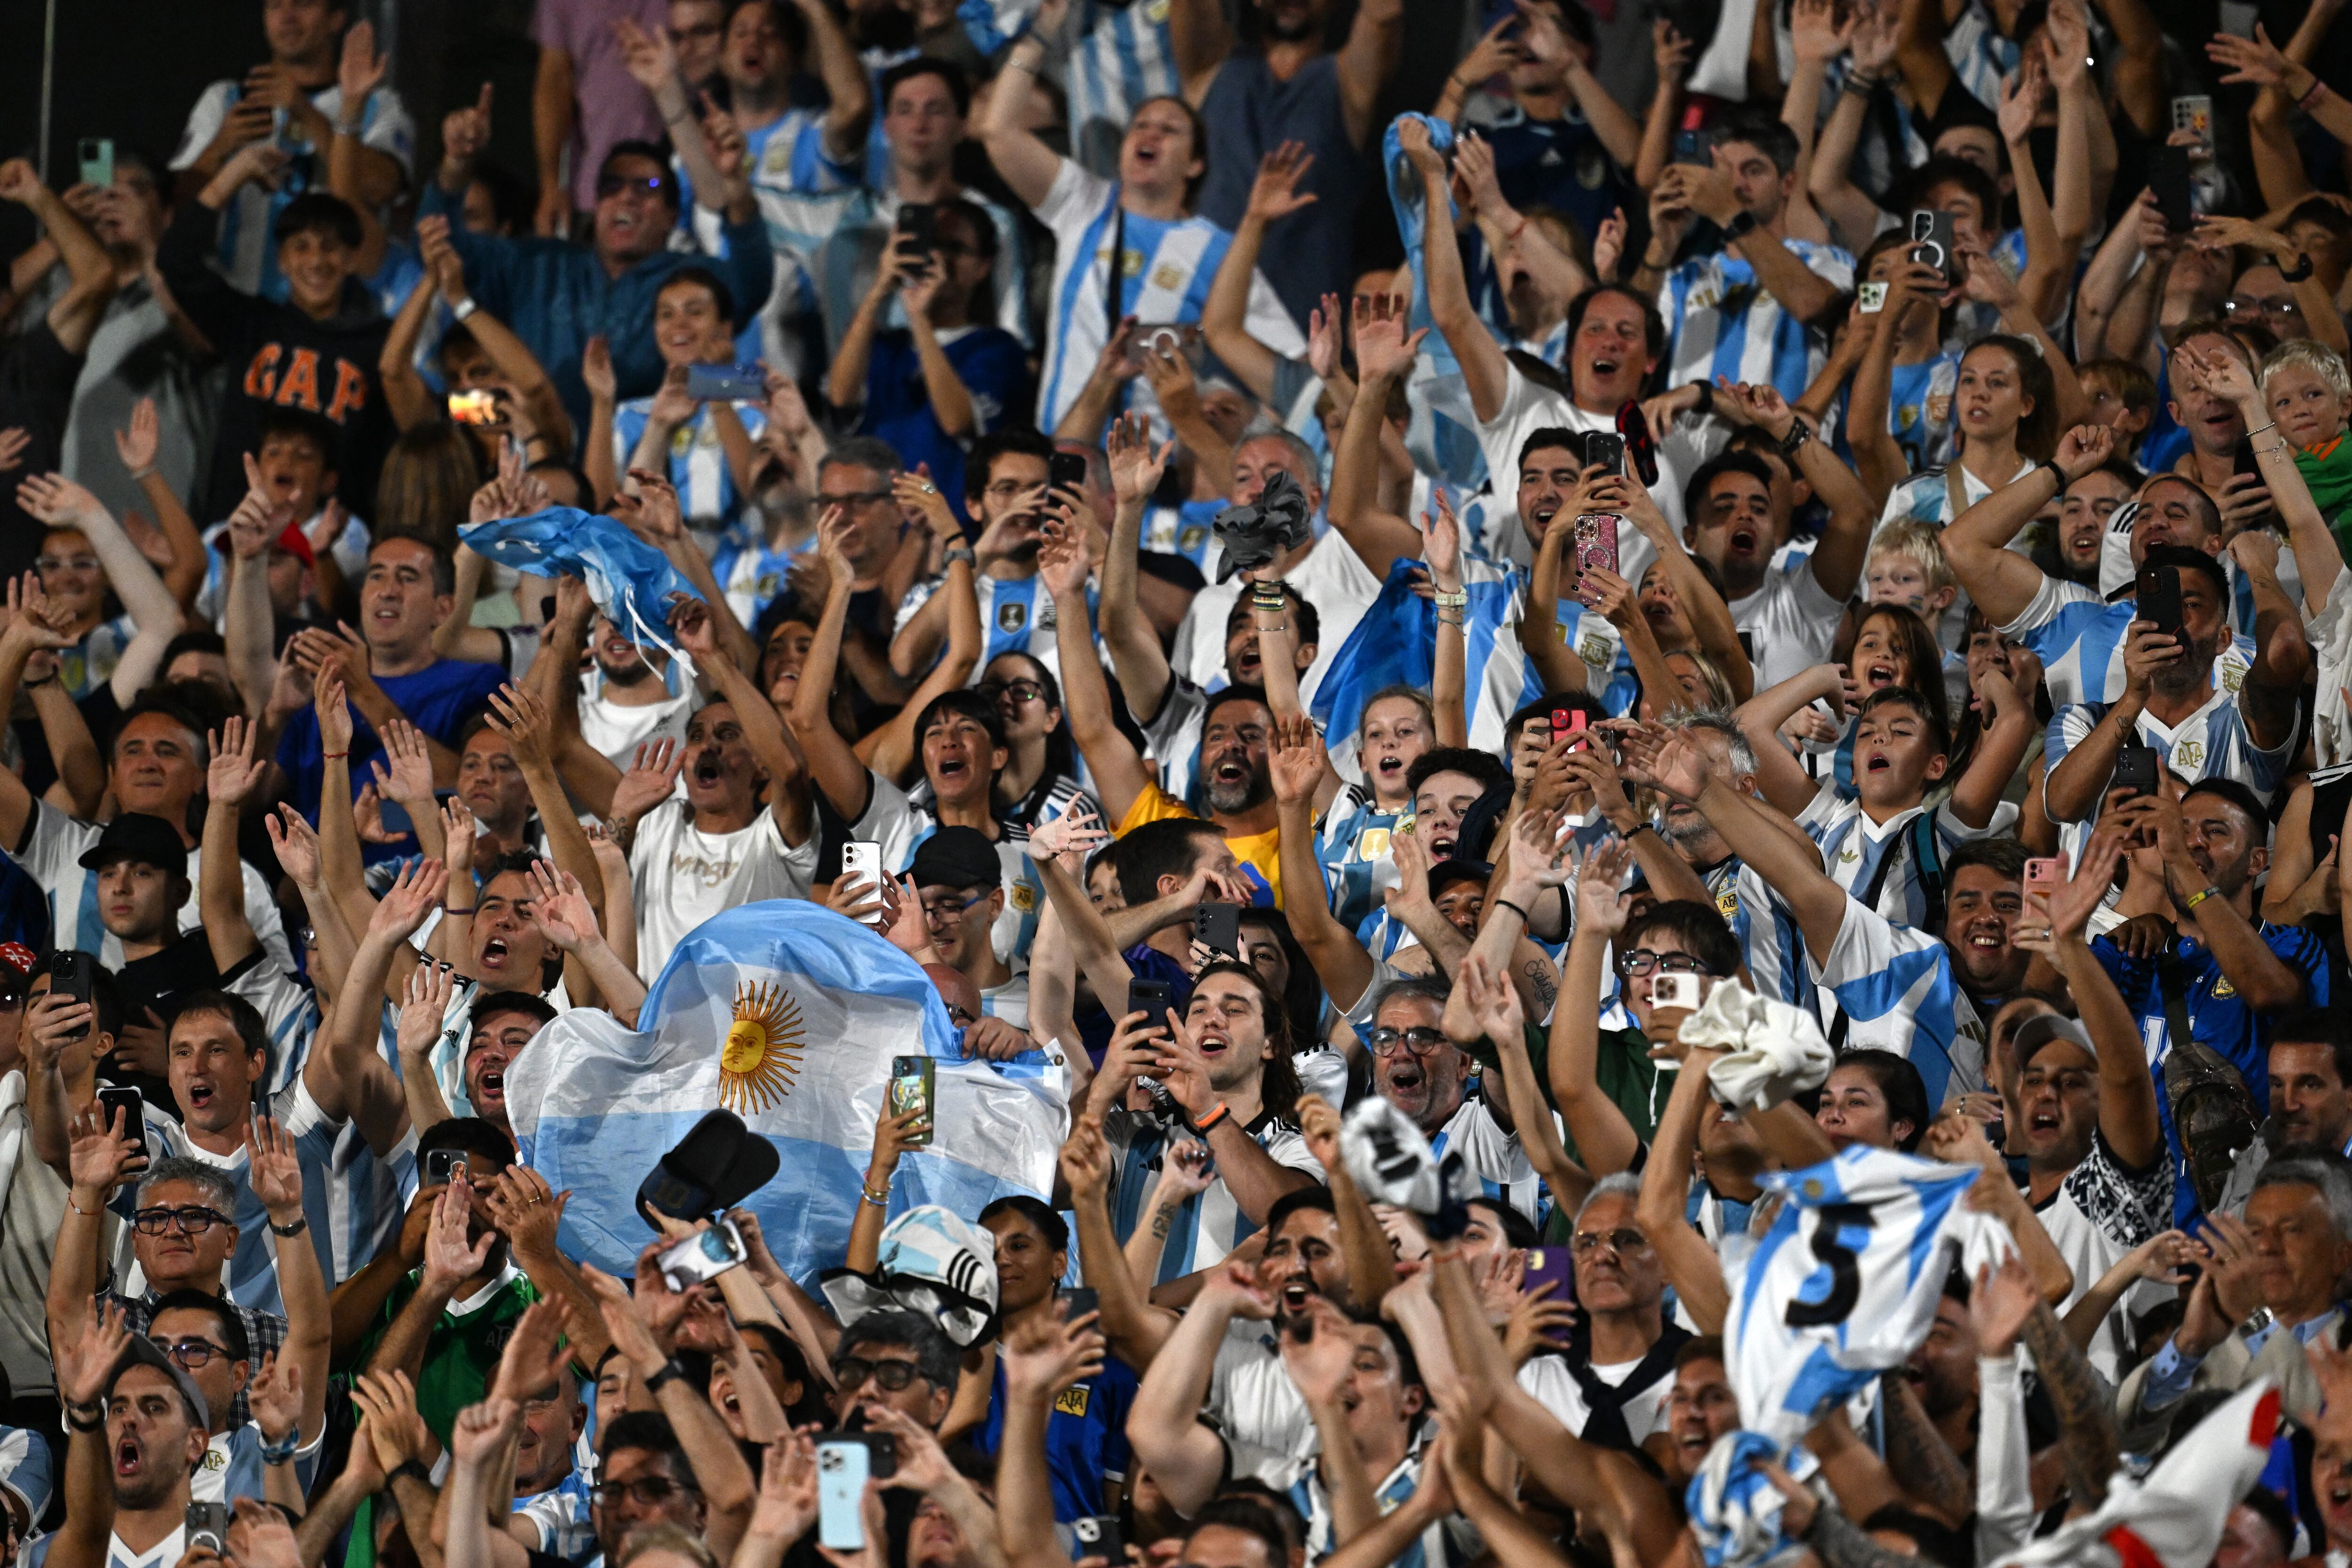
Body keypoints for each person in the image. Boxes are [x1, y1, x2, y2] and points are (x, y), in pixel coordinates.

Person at [978, 35, 1303, 437]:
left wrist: (1263, 424)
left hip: (1157, 476)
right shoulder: (1084, 204)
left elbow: (1295, 367)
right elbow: (998, 132)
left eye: (1170, 130)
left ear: (1195, 164)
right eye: (1141, 126)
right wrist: (1038, 39)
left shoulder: (1216, 251)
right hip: (1065, 457)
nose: (1150, 135)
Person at [421, 89, 776, 432]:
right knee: (434, 412)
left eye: (647, 186)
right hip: (539, 463)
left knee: (759, 386)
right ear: (595, 206)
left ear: (672, 216)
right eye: (610, 186)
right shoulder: (538, 265)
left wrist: (735, 187)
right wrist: (456, 165)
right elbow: (442, 250)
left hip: (652, 469)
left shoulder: (690, 278)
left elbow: (752, 284)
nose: (626, 197)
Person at [157, 165, 394, 524]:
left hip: (332, 547)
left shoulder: (378, 344)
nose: (316, 261)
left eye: (330, 248)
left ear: (350, 260)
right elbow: (174, 258)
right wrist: (239, 171)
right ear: (282, 261)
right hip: (236, 530)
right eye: (301, 247)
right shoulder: (251, 324)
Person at [167, 0, 415, 299]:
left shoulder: (376, 104)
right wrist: (217, 150)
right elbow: (171, 210)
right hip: (238, 311)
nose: (287, 17)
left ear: (335, 19)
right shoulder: (225, 100)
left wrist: (305, 112)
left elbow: (382, 188)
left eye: (302, 4)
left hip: (339, 318)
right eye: (274, 7)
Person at [1187, 0, 1403, 330]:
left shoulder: (1347, 83)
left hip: (1300, 331)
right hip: (1199, 319)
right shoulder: (1212, 65)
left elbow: (1383, 13)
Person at [1634, 108, 1852, 408]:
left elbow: (1812, 304)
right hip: (1685, 455)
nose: (1736, 185)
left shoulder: (1827, 262)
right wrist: (1662, 243)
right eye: (1725, 172)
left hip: (1774, 451)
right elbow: (1631, 339)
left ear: (1788, 184)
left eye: (1753, 170)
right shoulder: (1689, 275)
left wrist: (1729, 214)